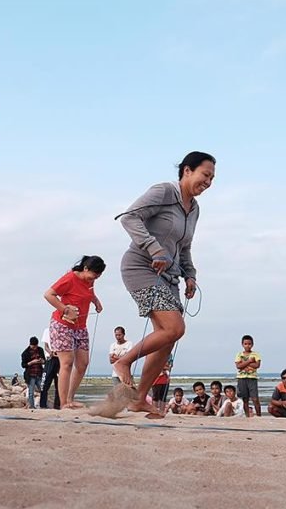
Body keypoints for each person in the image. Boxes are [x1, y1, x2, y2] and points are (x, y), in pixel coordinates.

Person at [112, 152, 215, 414]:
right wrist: (154, 248)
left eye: (213, 178)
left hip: (169, 276)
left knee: (168, 338)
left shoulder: (194, 210)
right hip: (141, 267)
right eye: (205, 175)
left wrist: (190, 275)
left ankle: (138, 399)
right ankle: (123, 363)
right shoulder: (164, 192)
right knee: (173, 327)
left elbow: (184, 246)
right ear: (187, 170)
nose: (209, 182)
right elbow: (128, 217)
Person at [43, 255, 105, 409]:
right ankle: (64, 403)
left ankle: (70, 399)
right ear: (85, 269)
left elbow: (88, 292)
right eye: (94, 275)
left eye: (98, 277)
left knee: (83, 363)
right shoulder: (70, 278)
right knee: (67, 362)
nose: (94, 279)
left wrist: (95, 301)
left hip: (80, 327)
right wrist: (65, 309)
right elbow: (48, 294)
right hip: (62, 324)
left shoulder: (89, 281)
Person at [235, 334, 262, 417]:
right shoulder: (239, 354)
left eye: (249, 344)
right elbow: (238, 366)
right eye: (245, 344)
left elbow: (257, 365)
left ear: (252, 344)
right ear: (242, 344)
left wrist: (244, 364)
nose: (247, 346)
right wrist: (249, 361)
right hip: (242, 378)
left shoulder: (255, 354)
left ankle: (259, 415)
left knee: (255, 399)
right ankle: (247, 416)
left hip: (252, 378)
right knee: (245, 399)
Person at [21, 337, 45, 409]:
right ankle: (31, 406)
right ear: (30, 344)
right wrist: (31, 362)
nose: (34, 348)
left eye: (36, 346)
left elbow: (44, 361)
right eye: (33, 346)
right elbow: (23, 365)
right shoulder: (25, 353)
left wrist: (41, 360)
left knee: (43, 389)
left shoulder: (40, 350)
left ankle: (43, 405)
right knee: (31, 392)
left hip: (39, 373)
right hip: (30, 375)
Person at [39, 325, 60, 409]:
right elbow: (46, 346)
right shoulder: (47, 330)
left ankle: (57, 405)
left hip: (60, 359)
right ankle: (42, 405)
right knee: (44, 383)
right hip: (50, 359)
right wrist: (51, 352)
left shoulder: (64, 330)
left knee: (59, 384)